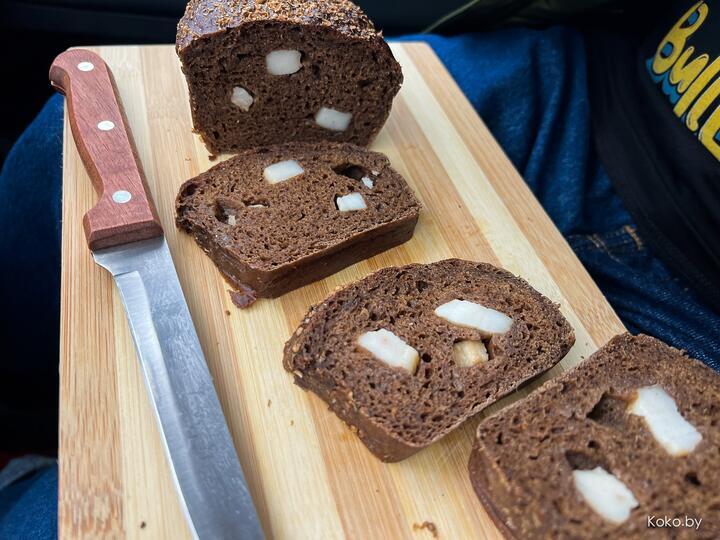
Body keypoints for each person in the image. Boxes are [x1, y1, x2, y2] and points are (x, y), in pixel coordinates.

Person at [1, 0, 718, 536]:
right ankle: (24, 393)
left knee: (46, 521)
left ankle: (24, 474)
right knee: (45, 158)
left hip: (697, 290)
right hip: (611, 84)